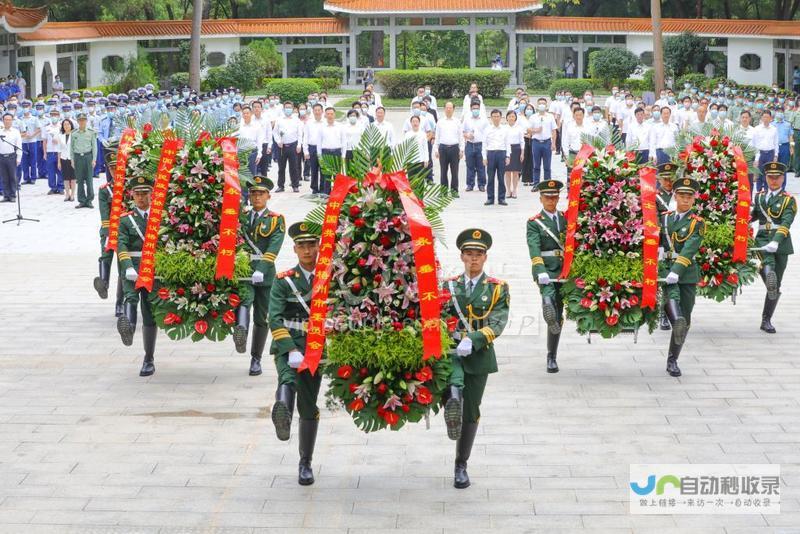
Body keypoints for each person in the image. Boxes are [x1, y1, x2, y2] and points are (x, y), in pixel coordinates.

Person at [441, 228, 509, 489]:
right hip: (451, 351)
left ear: (485, 257)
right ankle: (451, 399)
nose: (473, 259)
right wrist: (451, 337)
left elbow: (499, 321)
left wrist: (476, 339)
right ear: (461, 257)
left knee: (471, 412)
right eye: (468, 254)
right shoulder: (448, 285)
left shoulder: (497, 288)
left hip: (478, 355)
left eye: (478, 254)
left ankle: (461, 464)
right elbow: (437, 314)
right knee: (454, 385)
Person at [268, 222, 322, 485]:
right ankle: (283, 415)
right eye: (302, 246)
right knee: (287, 379)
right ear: (295, 249)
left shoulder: (329, 278)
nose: (308, 250)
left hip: (317, 347)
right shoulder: (284, 280)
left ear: (319, 246)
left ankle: (305, 461)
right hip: (289, 344)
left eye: (312, 244)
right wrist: (290, 349)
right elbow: (274, 319)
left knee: (309, 406)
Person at [235, 175, 286, 374]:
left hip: (264, 275)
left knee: (262, 318)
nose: (257, 197)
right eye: (253, 193)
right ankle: (240, 332)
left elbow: (274, 248)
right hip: (244, 270)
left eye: (261, 193)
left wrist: (261, 269)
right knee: (244, 301)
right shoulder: (242, 217)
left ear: (268, 196)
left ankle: (255, 359)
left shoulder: (275, 219)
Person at [659, 177, 705, 378]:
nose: (685, 200)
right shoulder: (665, 218)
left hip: (685, 275)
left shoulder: (697, 223)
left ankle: (672, 359)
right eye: (681, 196)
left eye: (689, 196)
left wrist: (676, 272)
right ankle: (668, 315)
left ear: (694, 199)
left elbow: (689, 249)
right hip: (666, 272)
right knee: (677, 316)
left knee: (684, 321)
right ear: (675, 196)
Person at [116, 176, 158, 377]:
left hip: (152, 269)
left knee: (149, 313)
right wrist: (127, 266)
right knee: (130, 298)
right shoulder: (126, 219)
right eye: (137, 194)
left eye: (145, 194)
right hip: (133, 267)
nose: (141, 198)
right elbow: (121, 244)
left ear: (152, 194)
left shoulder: (160, 217)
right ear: (132, 195)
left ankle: (148, 358)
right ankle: (129, 328)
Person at [527, 180, 567, 373]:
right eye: (547, 197)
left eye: (554, 196)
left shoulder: (566, 218)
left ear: (558, 197)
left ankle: (552, 355)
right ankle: (547, 303)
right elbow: (534, 247)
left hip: (565, 271)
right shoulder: (534, 222)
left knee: (558, 316)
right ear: (541, 198)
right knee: (550, 301)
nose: (551, 200)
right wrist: (540, 269)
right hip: (547, 271)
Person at [751, 162, 796, 334]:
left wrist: (776, 241)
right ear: (766, 178)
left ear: (783, 178)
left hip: (781, 245)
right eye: (770, 177)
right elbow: (755, 215)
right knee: (771, 277)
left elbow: (786, 222)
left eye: (777, 177)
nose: (774, 180)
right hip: (762, 242)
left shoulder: (788, 200)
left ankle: (766, 319)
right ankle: (769, 277)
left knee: (776, 285)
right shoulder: (760, 197)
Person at [95, 171, 124, 318]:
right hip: (109, 230)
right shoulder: (105, 190)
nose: (115, 170)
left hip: (125, 230)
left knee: (123, 267)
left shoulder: (128, 188)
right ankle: (104, 284)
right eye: (112, 168)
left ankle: (120, 303)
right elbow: (104, 213)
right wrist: (107, 232)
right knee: (106, 256)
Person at [655, 163, 677, 331]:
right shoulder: (655, 197)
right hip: (662, 242)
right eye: (665, 179)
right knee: (664, 278)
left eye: (671, 179)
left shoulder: (680, 195)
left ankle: (676, 311)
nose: (669, 182)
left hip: (679, 242)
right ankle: (663, 315)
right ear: (659, 179)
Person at [433, 101, 463, 196]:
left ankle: (454, 191)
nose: (449, 109)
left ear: (453, 109)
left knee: (455, 171)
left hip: (454, 148)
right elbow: (437, 136)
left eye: (450, 108)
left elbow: (461, 136)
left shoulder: (457, 121)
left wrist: (461, 149)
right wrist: (436, 149)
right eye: (447, 108)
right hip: (443, 148)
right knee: (443, 171)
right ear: (444, 109)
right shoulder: (440, 122)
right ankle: (443, 191)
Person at [273, 101, 303, 193]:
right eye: (286, 107)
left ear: (293, 108)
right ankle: (280, 186)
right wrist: (278, 141)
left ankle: (295, 185)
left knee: (294, 167)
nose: (288, 109)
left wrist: (299, 145)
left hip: (293, 145)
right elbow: (275, 132)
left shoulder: (296, 120)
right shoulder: (279, 119)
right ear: (283, 108)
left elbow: (300, 133)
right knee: (281, 167)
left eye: (290, 107)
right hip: (282, 147)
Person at [482, 109, 510, 206]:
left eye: (498, 116)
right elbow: (484, 144)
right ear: (491, 118)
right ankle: (490, 198)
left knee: (501, 177)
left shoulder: (505, 129)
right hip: (491, 154)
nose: (496, 118)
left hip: (501, 153)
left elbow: (507, 143)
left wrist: (507, 156)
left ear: (501, 117)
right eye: (494, 116)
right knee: (490, 177)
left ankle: (501, 198)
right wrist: (484, 157)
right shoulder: (487, 129)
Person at [70, 113, 97, 209]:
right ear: (77, 121)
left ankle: (89, 200)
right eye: (80, 120)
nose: (82, 122)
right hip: (78, 158)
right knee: (80, 180)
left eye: (84, 120)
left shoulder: (91, 132)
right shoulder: (74, 133)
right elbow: (71, 148)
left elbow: (94, 147)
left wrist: (94, 159)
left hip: (88, 157)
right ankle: (82, 200)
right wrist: (72, 160)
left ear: (86, 121)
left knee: (89, 180)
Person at [529, 97, 557, 187]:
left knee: (547, 166)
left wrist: (553, 143)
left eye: (543, 104)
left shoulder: (550, 116)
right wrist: (536, 130)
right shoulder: (533, 117)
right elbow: (528, 130)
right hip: (536, 142)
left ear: (546, 105)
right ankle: (536, 184)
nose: (542, 105)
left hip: (547, 142)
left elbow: (554, 131)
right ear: (537, 105)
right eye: (540, 103)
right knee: (536, 165)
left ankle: (547, 184)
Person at [319, 106, 345, 197]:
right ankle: (326, 194)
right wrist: (319, 156)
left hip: (337, 152)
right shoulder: (322, 127)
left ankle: (337, 194)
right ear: (325, 115)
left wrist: (343, 155)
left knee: (337, 175)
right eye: (328, 114)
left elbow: (344, 142)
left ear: (335, 115)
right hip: (325, 152)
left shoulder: (340, 126)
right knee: (327, 175)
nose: (330, 115)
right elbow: (319, 142)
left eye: (332, 114)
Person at [752, 110, 779, 193]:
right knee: (759, 174)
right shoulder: (757, 129)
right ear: (761, 118)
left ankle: (767, 192)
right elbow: (754, 144)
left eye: (767, 117)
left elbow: (776, 143)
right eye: (764, 117)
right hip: (760, 153)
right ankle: (759, 192)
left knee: (768, 174)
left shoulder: (774, 129)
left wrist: (776, 155)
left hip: (770, 154)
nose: (766, 119)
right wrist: (756, 159)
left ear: (771, 118)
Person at [302, 103, 324, 196]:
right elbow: (305, 137)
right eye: (316, 110)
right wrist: (305, 151)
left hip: (324, 149)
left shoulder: (326, 122)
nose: (317, 112)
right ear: (313, 111)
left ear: (322, 111)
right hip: (312, 148)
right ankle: (314, 189)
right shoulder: (309, 123)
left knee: (324, 170)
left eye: (319, 110)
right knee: (314, 169)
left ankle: (324, 189)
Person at [0, 112, 22, 202]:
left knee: (12, 177)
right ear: (3, 120)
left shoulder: (15, 132)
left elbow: (19, 146)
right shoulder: (0, 131)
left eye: (9, 120)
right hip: (1, 157)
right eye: (5, 120)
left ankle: (13, 195)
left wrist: (18, 158)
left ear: (12, 121)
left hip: (12, 156)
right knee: (4, 177)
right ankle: (6, 195)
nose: (7, 121)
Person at [504, 110, 525, 199]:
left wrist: (522, 153)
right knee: (507, 172)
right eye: (509, 116)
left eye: (513, 116)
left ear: (515, 118)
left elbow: (522, 141)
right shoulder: (504, 128)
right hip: (506, 150)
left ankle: (515, 190)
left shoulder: (519, 128)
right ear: (507, 118)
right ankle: (508, 190)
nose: (511, 118)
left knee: (515, 172)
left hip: (516, 149)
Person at [58, 118, 76, 202]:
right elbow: (59, 149)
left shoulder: (74, 134)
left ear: (71, 125)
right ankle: (67, 194)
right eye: (64, 124)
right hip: (63, 158)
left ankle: (72, 194)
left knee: (73, 177)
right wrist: (59, 162)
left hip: (72, 159)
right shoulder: (61, 135)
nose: (66, 126)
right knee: (65, 178)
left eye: (68, 124)